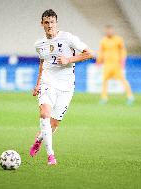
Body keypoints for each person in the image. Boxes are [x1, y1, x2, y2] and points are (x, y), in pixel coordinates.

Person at [29, 9, 93, 165]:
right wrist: (38, 84)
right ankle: (51, 156)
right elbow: (42, 62)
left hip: (66, 86)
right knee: (45, 114)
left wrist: (69, 59)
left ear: (56, 23)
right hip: (47, 82)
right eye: (46, 22)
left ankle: (38, 140)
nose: (49, 25)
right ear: (42, 24)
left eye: (52, 22)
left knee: (53, 124)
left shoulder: (68, 38)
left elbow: (89, 53)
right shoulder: (39, 44)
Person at [96, 25, 134, 105]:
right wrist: (98, 61)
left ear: (113, 31)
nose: (109, 32)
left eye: (110, 30)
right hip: (107, 65)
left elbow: (123, 51)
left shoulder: (118, 40)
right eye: (107, 31)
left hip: (116, 65)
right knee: (104, 81)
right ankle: (104, 98)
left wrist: (123, 61)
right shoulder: (103, 40)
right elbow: (101, 51)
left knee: (123, 80)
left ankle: (130, 96)